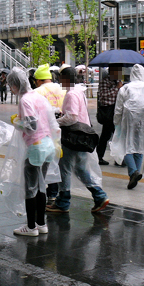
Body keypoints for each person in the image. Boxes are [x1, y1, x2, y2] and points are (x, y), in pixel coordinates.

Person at [46, 67, 109, 214]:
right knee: (80, 169)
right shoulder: (78, 92)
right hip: (81, 136)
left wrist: (54, 122)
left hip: (73, 137)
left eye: (60, 78)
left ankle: (63, 202)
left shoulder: (72, 94)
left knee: (64, 168)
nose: (59, 81)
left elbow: (72, 117)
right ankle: (99, 196)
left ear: (66, 78)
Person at [8, 68, 60, 236]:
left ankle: (31, 227)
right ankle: (41, 224)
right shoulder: (39, 97)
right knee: (41, 185)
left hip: (36, 146)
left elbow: (31, 126)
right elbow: (51, 122)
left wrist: (17, 122)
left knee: (30, 187)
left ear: (15, 85)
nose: (10, 89)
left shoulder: (25, 100)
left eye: (10, 85)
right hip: (48, 145)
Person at [110, 64, 144, 189]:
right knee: (140, 147)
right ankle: (135, 174)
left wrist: (117, 124)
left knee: (125, 146)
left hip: (128, 120)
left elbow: (118, 109)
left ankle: (134, 173)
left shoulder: (125, 88)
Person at [33, 64, 66, 204]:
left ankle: (49, 193)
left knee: (48, 162)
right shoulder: (62, 89)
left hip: (46, 131)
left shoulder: (37, 92)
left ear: (38, 80)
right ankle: (59, 194)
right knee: (61, 163)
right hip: (64, 129)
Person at [96, 65, 123, 165]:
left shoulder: (117, 81)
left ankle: (101, 156)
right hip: (108, 111)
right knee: (113, 135)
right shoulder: (105, 81)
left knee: (109, 135)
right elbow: (103, 95)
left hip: (116, 111)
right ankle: (117, 159)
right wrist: (117, 88)